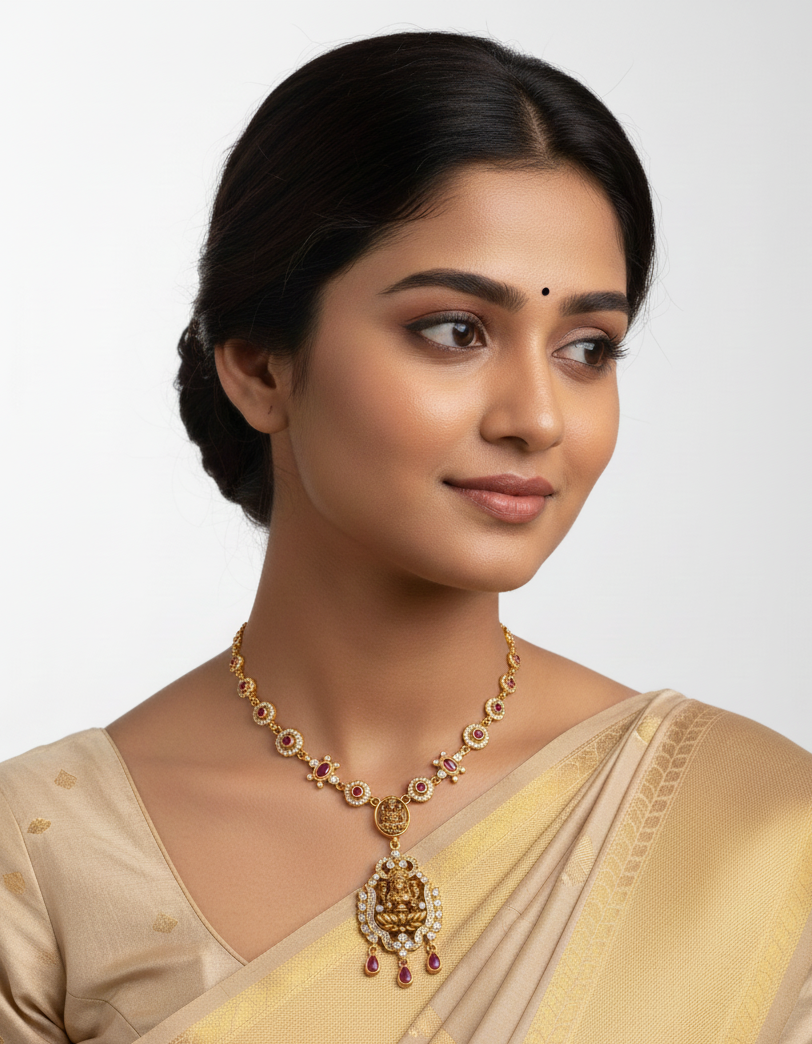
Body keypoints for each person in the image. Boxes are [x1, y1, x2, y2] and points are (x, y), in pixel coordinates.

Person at [1, 30, 810, 1044]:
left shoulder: (756, 829)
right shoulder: (43, 862)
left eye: (585, 349)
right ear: (259, 367)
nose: (537, 416)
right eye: (453, 331)